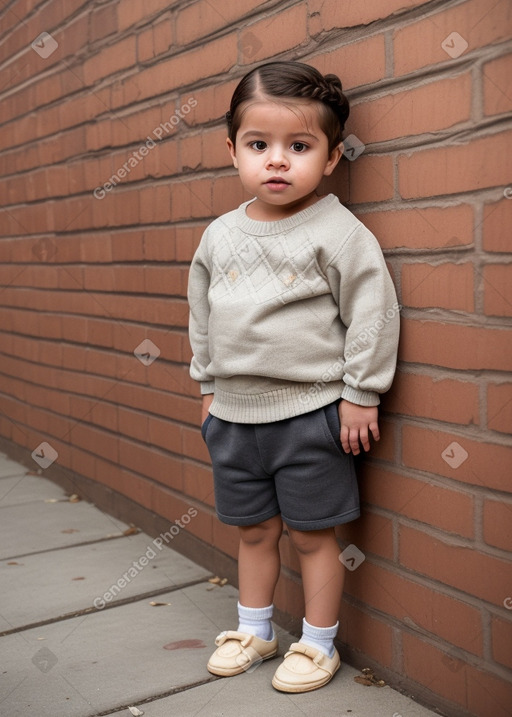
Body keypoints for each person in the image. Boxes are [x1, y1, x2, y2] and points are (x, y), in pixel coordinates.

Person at [187, 60, 399, 693]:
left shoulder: (337, 232)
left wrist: (362, 393)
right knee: (254, 529)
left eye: (299, 146)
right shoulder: (219, 237)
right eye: (259, 145)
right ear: (233, 151)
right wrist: (206, 389)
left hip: (310, 416)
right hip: (233, 415)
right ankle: (256, 629)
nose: (276, 161)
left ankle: (317, 643)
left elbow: (373, 311)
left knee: (311, 535)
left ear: (331, 158)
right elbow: (201, 316)